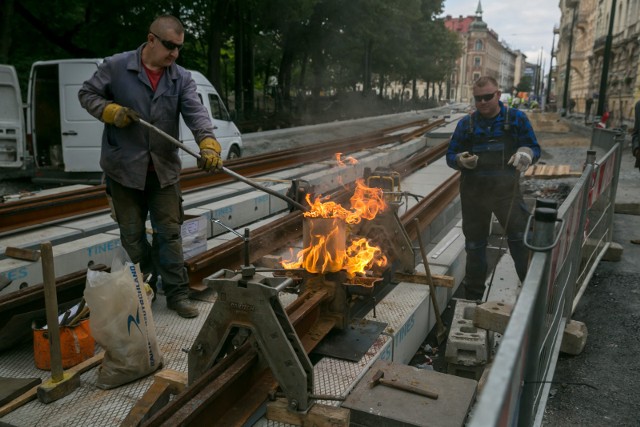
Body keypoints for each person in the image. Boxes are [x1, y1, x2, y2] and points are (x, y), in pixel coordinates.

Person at [78, 15, 223, 318]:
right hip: (124, 172)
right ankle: (143, 289)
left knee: (169, 235)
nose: (174, 54)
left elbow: (196, 114)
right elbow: (86, 94)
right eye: (170, 46)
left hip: (164, 170)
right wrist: (109, 111)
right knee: (132, 237)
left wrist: (208, 142)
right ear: (151, 39)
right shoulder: (117, 67)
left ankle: (177, 295)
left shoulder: (180, 77)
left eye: (179, 48)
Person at [446, 76, 541, 300]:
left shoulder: (516, 119)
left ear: (498, 95)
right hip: (474, 193)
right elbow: (450, 155)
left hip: (506, 191)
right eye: (478, 98)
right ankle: (473, 297)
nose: (482, 102)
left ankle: (532, 296)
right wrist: (460, 159)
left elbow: (534, 147)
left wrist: (526, 153)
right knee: (475, 245)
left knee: (519, 239)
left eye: (488, 97)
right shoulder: (466, 124)